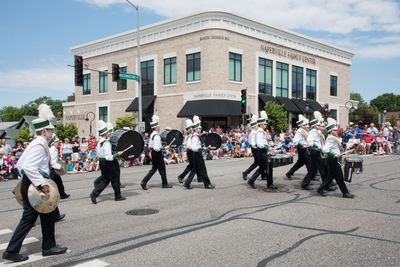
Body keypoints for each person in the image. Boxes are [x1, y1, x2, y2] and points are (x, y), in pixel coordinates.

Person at [2, 104, 67, 263]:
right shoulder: (39, 144)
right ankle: (11, 251)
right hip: (35, 185)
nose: (52, 133)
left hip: (32, 183)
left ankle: (48, 247)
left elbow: (20, 164)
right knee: (28, 219)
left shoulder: (37, 143)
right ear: (44, 131)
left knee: (48, 215)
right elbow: (27, 166)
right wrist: (41, 184)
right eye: (50, 130)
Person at [317, 118, 355, 198]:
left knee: (331, 177)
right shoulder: (331, 138)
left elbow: (336, 149)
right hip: (332, 160)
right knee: (339, 176)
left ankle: (320, 189)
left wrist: (343, 153)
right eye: (334, 130)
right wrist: (333, 154)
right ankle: (345, 192)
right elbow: (324, 149)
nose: (336, 131)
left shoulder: (333, 138)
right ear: (330, 131)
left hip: (333, 159)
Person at [90, 120, 126, 204]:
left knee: (106, 180)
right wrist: (118, 153)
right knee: (115, 178)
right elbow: (109, 157)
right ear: (106, 133)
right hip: (109, 163)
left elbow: (98, 154)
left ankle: (95, 194)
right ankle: (117, 196)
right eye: (107, 133)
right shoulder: (106, 143)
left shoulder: (99, 142)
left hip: (102, 163)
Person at [141, 115, 173, 190]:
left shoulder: (152, 135)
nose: (159, 127)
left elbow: (151, 146)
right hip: (157, 154)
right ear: (155, 127)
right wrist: (165, 148)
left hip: (153, 153)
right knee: (162, 169)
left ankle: (144, 182)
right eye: (158, 126)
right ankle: (164, 184)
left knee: (153, 169)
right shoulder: (156, 136)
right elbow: (157, 148)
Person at [183, 116, 215, 189]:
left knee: (195, 169)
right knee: (203, 169)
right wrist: (202, 148)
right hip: (196, 154)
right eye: (199, 128)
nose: (200, 129)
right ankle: (207, 184)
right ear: (196, 129)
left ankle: (187, 183)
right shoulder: (195, 137)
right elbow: (194, 148)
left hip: (195, 154)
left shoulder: (195, 136)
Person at [247, 111, 276, 189]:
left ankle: (268, 183)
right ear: (261, 124)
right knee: (265, 167)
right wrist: (268, 148)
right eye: (265, 124)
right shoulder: (259, 132)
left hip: (261, 151)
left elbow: (262, 142)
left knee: (263, 167)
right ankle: (268, 184)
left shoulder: (261, 131)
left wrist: (269, 145)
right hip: (261, 151)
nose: (266, 125)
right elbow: (260, 144)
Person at [302, 111, 329, 190]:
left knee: (313, 170)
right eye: (318, 125)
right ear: (314, 126)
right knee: (322, 169)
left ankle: (305, 184)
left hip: (317, 152)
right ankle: (326, 185)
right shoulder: (313, 132)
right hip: (315, 152)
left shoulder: (317, 132)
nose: (319, 126)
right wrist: (318, 146)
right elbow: (310, 142)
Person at [285, 115, 311, 179]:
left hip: (305, 148)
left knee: (301, 162)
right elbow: (295, 141)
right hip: (302, 148)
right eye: (304, 125)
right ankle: (311, 174)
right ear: (301, 125)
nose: (306, 126)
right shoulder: (299, 131)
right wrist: (303, 145)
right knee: (308, 162)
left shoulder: (304, 131)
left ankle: (289, 173)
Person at [49, 134, 70, 200]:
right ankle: (51, 196)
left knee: (59, 182)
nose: (58, 143)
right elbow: (52, 162)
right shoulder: (53, 150)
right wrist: (60, 166)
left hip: (53, 169)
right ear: (53, 143)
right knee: (51, 184)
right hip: (53, 169)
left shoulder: (52, 149)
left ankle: (62, 194)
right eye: (57, 142)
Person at [177, 119, 197, 183]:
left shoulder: (189, 136)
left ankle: (181, 176)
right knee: (194, 167)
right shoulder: (188, 137)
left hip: (191, 152)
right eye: (191, 130)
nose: (192, 131)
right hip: (190, 152)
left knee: (191, 166)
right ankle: (186, 181)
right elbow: (186, 145)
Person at [242, 114, 259, 180]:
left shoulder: (254, 132)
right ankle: (246, 172)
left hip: (255, 148)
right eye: (256, 125)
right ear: (255, 126)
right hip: (255, 149)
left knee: (257, 163)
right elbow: (252, 143)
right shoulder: (253, 133)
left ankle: (246, 172)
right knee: (259, 163)